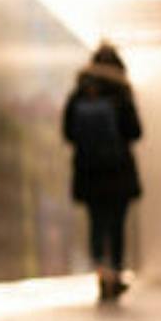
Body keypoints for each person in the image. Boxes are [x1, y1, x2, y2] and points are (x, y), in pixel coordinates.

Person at [62, 43, 143, 301]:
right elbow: (136, 131)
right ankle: (116, 274)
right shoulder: (120, 92)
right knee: (117, 225)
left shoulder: (79, 92)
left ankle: (101, 273)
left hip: (89, 171)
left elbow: (68, 133)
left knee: (96, 223)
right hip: (118, 170)